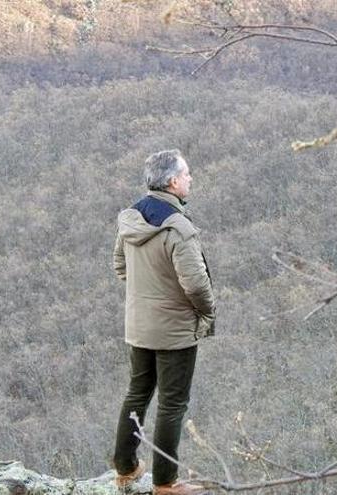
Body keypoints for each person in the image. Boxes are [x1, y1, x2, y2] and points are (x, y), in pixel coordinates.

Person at [111, 149, 216, 495]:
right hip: (174, 331)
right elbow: (197, 285)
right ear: (173, 182)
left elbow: (120, 267)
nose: (190, 179)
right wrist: (206, 313)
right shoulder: (179, 228)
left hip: (138, 325)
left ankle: (125, 468)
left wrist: (147, 295)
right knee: (172, 403)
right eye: (186, 174)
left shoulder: (131, 219)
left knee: (137, 393)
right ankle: (165, 483)